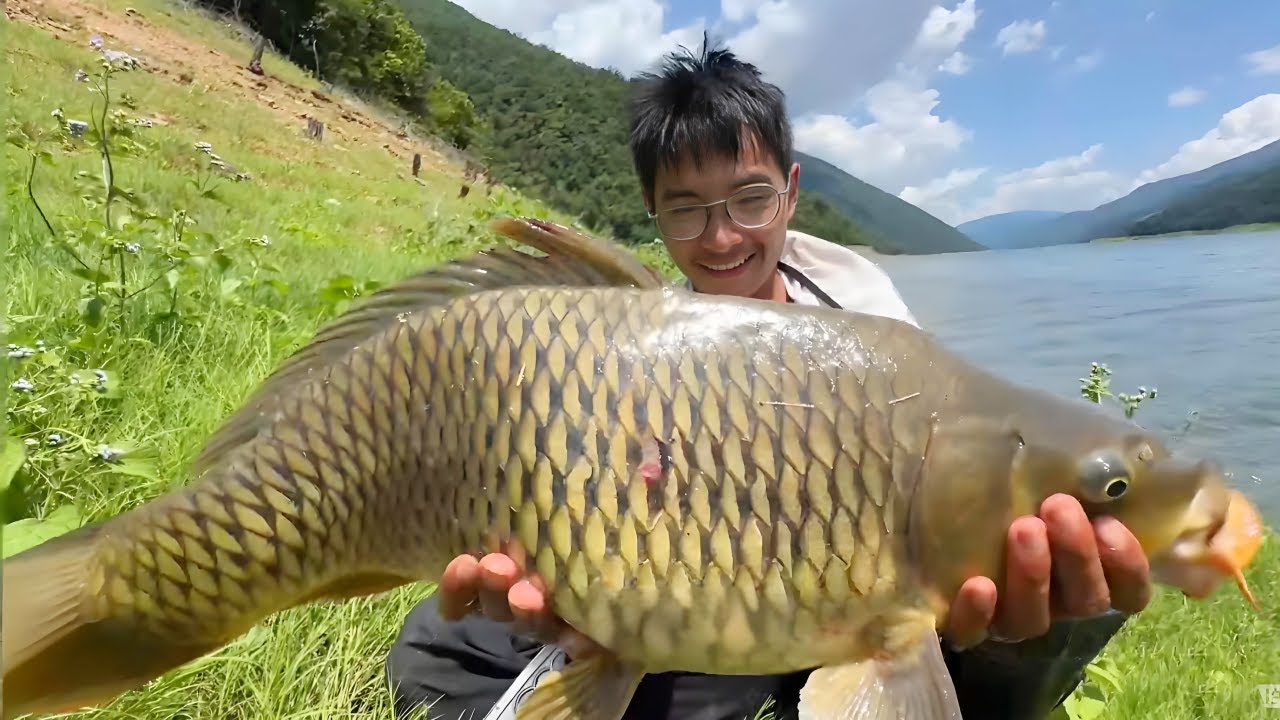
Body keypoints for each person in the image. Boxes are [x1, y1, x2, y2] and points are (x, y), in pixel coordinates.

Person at [384, 38, 1152, 720]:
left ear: (788, 192)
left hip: (840, 603)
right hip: (702, 583)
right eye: (687, 211)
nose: (722, 238)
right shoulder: (651, 345)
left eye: (750, 200)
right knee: (434, 644)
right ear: (654, 212)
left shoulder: (873, 335)